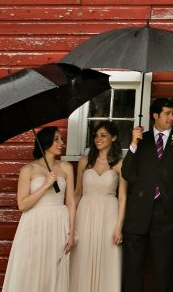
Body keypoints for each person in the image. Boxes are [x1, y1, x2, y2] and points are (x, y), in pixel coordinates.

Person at [122, 97, 173, 292]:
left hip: (166, 216)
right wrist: (133, 144)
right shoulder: (141, 140)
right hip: (138, 214)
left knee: (164, 272)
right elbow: (128, 174)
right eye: (167, 113)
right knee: (132, 271)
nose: (172, 117)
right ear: (155, 115)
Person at [2, 126, 77, 292]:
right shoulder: (28, 169)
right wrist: (45, 186)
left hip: (58, 223)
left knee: (54, 271)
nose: (61, 143)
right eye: (56, 139)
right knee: (30, 268)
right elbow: (22, 205)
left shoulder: (66, 167)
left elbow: (71, 202)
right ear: (45, 142)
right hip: (34, 224)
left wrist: (71, 233)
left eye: (61, 139)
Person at [70, 121, 126, 292]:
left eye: (103, 135)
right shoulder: (84, 162)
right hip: (85, 214)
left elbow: (123, 196)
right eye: (96, 135)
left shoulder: (119, 164)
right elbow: (77, 193)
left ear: (113, 138)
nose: (98, 139)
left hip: (109, 214)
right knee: (83, 256)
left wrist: (119, 227)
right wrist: (70, 225)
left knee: (106, 257)